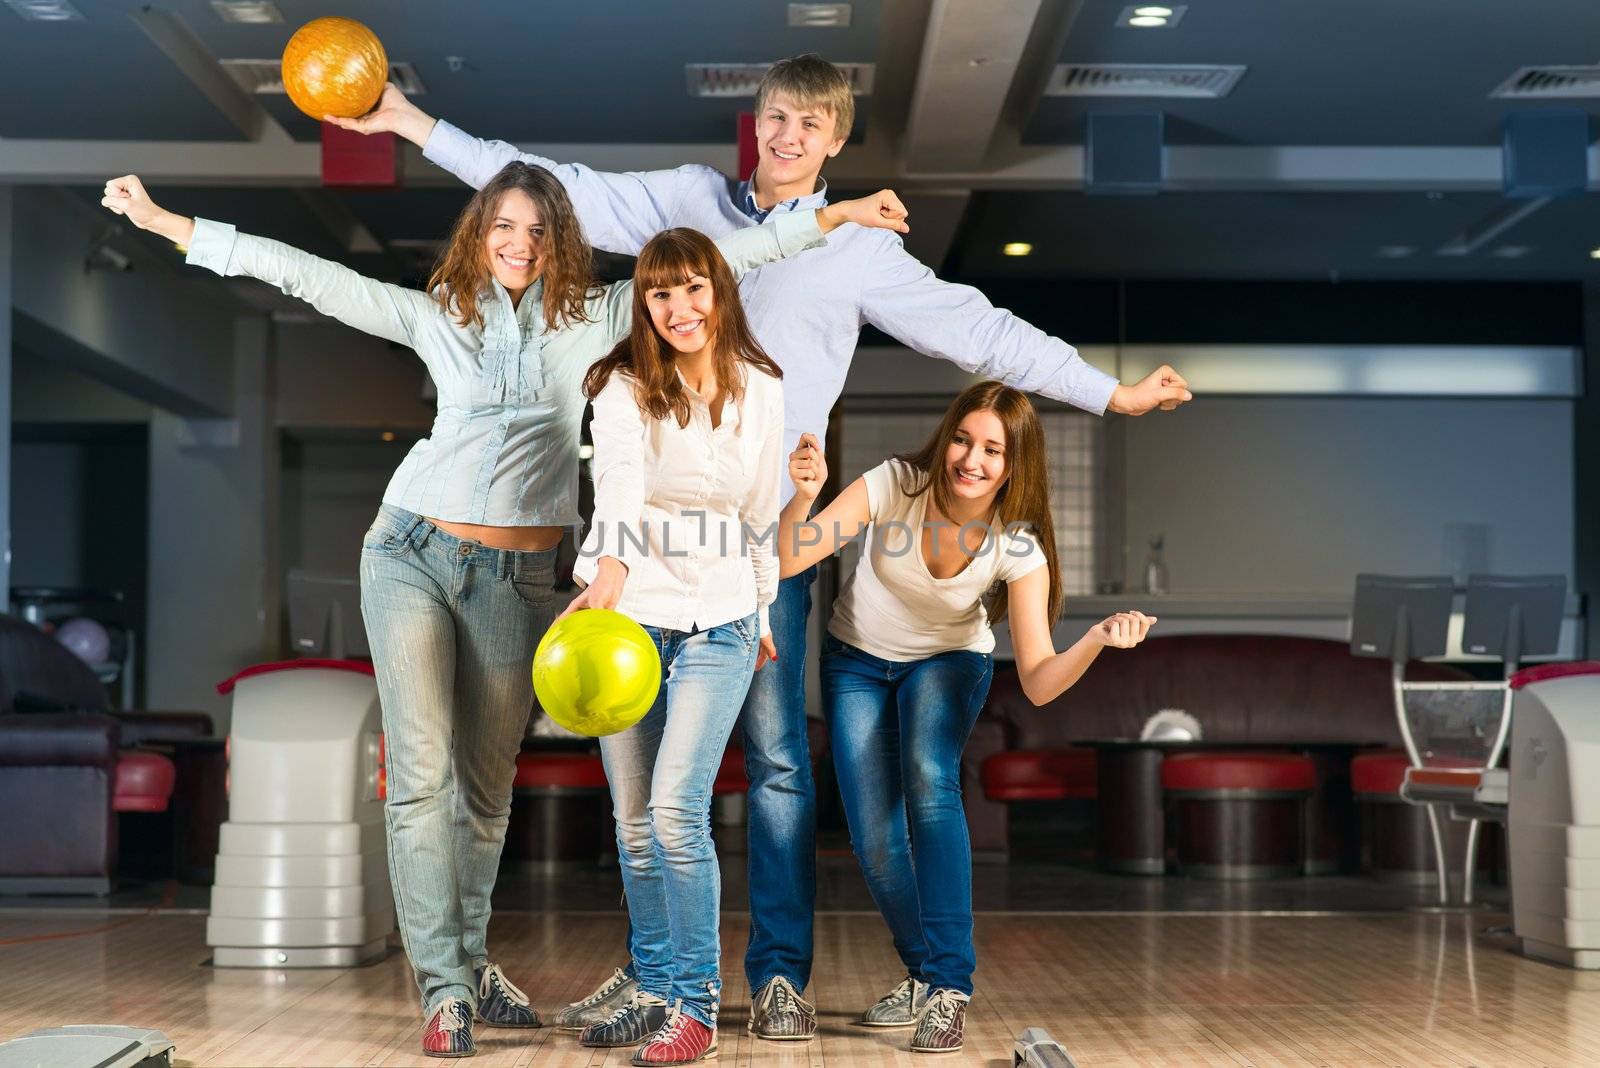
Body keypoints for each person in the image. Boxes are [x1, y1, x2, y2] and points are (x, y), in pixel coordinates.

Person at [332, 54, 1191, 1039]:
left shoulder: (857, 250)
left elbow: (977, 330)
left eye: (811, 125)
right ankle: (656, 974)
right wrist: (407, 121)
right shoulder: (692, 204)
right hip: (647, 547)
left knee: (777, 757)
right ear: (757, 122)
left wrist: (1109, 392)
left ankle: (776, 974)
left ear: (834, 142)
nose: (788, 136)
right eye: (777, 116)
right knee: (639, 777)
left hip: (766, 542)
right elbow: (556, 188)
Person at [99, 169, 904, 1060]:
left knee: (486, 791)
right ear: (477, 235)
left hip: (522, 575)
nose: (517, 243)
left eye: (535, 229)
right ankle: (444, 990)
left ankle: (478, 964)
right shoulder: (434, 313)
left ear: (559, 238)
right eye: (500, 227)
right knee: (418, 776)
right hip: (410, 548)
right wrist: (169, 222)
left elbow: (732, 257)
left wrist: (839, 214)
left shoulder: (602, 318)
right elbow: (306, 276)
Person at [777, 381, 1156, 1053]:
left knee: (929, 779)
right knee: (873, 838)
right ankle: (925, 972)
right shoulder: (896, 484)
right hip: (857, 658)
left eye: (992, 449)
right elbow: (791, 556)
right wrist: (804, 497)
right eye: (963, 438)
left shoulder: (1018, 544)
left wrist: (1095, 640)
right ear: (945, 435)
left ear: (1014, 464)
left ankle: (949, 987)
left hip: (949, 662)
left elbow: (1038, 682)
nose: (971, 459)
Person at [561, 224, 834, 1066]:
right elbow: (620, 486)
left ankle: (696, 1006)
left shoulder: (761, 387)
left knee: (679, 813)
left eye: (691, 288)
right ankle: (651, 987)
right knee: (635, 824)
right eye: (659, 293)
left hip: (720, 621)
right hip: (628, 615)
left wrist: (757, 612)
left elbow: (758, 515)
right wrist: (608, 574)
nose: (678, 308)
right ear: (645, 304)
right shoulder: (620, 385)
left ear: (719, 290)